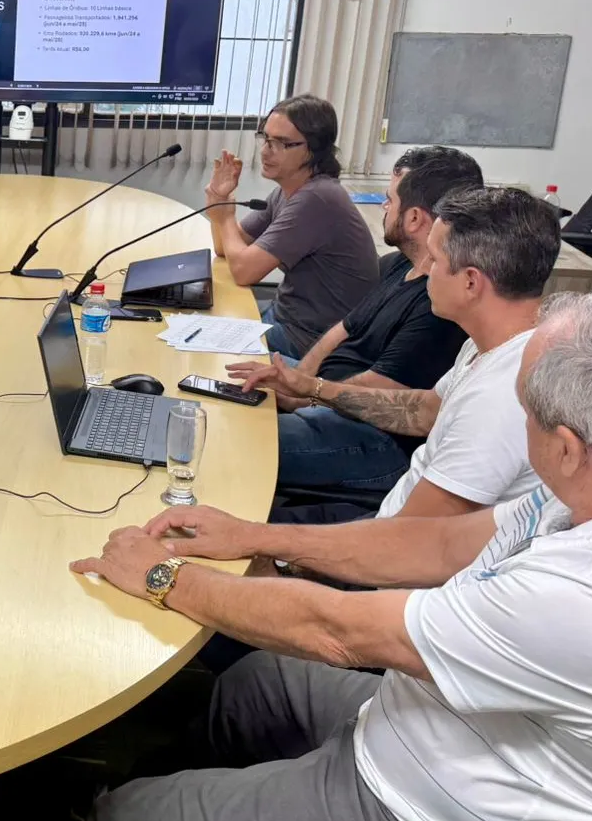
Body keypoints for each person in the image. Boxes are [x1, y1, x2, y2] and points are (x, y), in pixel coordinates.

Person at [0, 285, 592, 821]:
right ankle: (132, 815)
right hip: (452, 733)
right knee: (258, 687)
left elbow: (341, 632)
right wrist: (258, 536)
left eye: (528, 415)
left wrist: (164, 578)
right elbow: (443, 542)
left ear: (571, 449)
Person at [236, 186, 560, 520]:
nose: (423, 267)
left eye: (434, 259)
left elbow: (413, 544)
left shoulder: (498, 400)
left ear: (471, 282)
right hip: (392, 521)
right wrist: (313, 389)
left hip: (394, 547)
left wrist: (263, 543)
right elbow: (423, 411)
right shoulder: (492, 346)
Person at [261, 147, 480, 510]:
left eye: (389, 199)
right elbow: (341, 330)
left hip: (371, 435)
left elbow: (382, 388)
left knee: (236, 437)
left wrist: (307, 395)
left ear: (413, 218)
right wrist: (301, 378)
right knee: (229, 369)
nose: (383, 207)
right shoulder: (398, 264)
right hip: (327, 397)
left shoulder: (438, 305)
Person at [202, 94, 379, 358]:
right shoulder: (289, 192)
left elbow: (243, 271)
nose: (265, 151)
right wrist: (219, 201)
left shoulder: (316, 199)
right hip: (286, 319)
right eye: (266, 139)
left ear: (314, 149)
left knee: (204, 348)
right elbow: (226, 248)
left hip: (310, 343)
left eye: (282, 143)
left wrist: (225, 216)